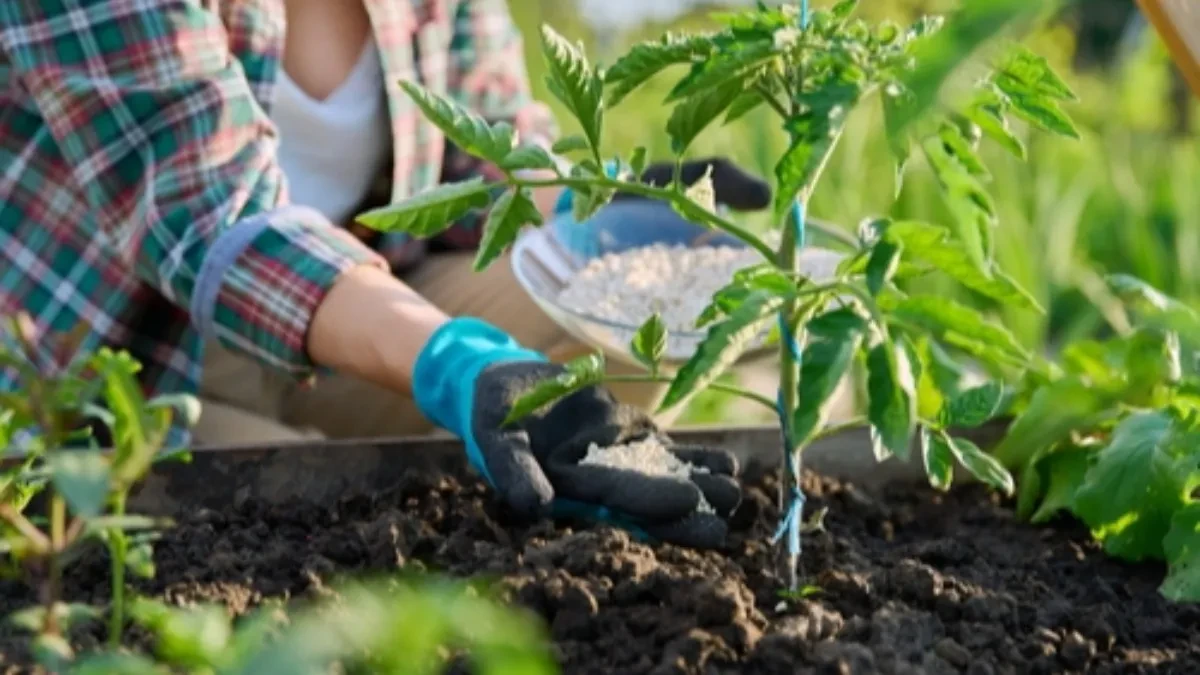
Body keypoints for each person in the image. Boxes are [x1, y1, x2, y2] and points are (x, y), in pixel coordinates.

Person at [0, 0, 772, 547]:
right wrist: (456, 363)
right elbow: (212, 218)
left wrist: (603, 199)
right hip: (134, 357)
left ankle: (567, 497)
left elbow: (481, 143)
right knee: (314, 512)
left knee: (638, 324)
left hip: (354, 312)